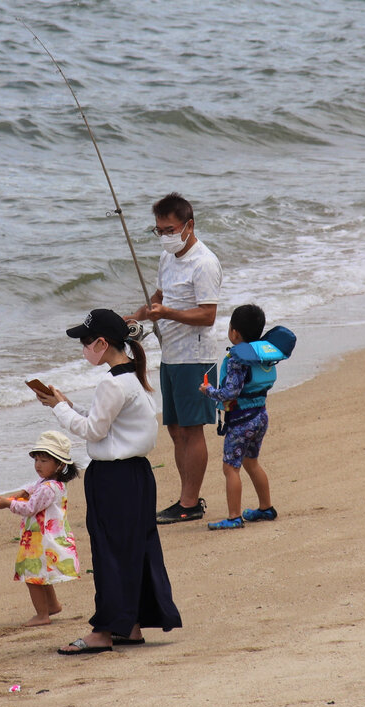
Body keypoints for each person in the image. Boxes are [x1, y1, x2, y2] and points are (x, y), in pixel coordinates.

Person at [34, 309, 182, 654]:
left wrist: (59, 408)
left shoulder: (112, 383)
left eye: (86, 342)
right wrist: (68, 406)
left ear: (102, 343)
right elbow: (105, 426)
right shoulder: (134, 379)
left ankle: (103, 631)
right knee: (135, 549)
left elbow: (92, 431)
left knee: (111, 552)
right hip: (137, 476)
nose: (83, 348)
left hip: (114, 478)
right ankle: (128, 625)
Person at [126, 192, 223, 525]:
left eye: (169, 229)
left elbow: (208, 315)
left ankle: (190, 502)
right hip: (171, 354)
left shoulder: (204, 262)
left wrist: (169, 313)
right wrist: (136, 316)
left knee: (193, 430)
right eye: (159, 230)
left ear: (188, 225)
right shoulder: (168, 257)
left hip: (196, 357)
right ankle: (186, 495)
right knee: (175, 429)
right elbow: (159, 297)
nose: (165, 236)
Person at [199, 304, 293, 530]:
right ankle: (265, 508)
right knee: (252, 462)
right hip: (260, 416)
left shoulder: (237, 359)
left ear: (234, 333)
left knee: (231, 468)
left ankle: (233, 517)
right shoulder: (263, 355)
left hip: (241, 421)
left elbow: (230, 393)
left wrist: (208, 391)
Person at [0, 430, 81, 627]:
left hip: (41, 541)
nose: (38, 465)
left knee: (32, 576)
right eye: (37, 460)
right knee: (41, 575)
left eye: (44, 461)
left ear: (60, 464)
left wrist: (8, 504)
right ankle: (53, 606)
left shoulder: (49, 489)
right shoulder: (50, 483)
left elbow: (30, 508)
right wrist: (23, 491)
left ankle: (42, 615)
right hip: (40, 538)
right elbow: (34, 486)